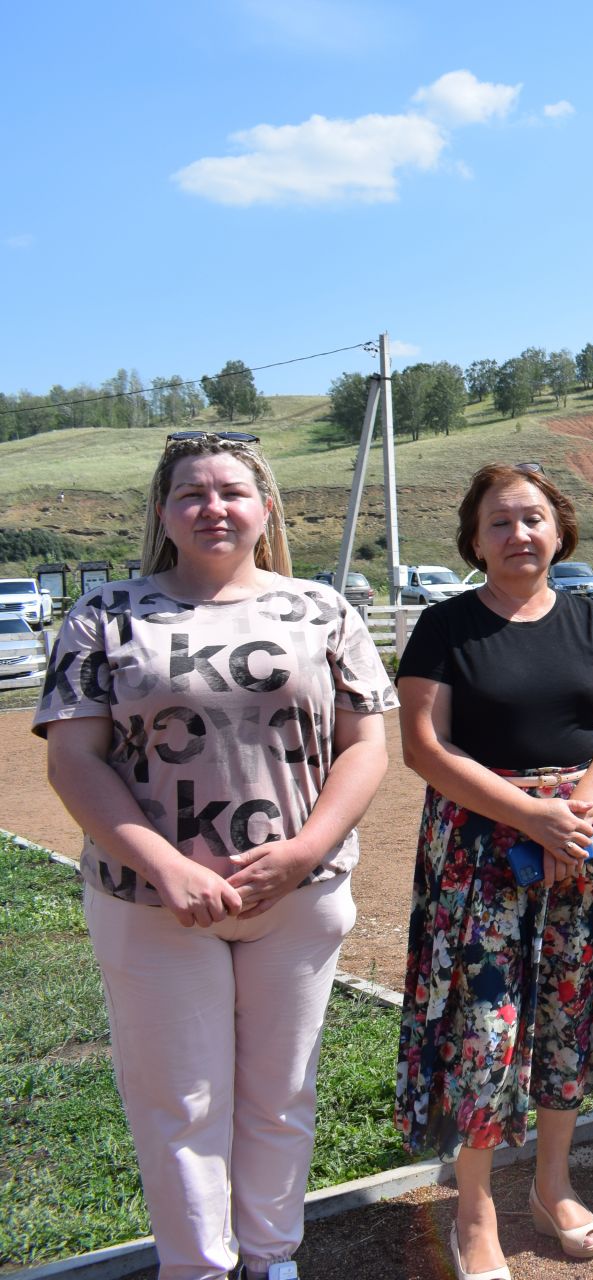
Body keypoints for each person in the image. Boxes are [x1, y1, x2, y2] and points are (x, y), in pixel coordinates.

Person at [38, 431, 395, 1280]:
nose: (213, 507)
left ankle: (271, 1258)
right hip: (151, 903)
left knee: (281, 1093)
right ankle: (197, 1267)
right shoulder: (105, 615)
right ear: (163, 513)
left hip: (297, 897)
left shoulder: (323, 609)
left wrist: (305, 851)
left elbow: (365, 745)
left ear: (265, 506)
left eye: (232, 491)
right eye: (191, 493)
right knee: (180, 1104)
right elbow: (73, 758)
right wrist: (166, 864)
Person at [395, 462, 593, 1275]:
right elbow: (426, 747)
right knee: (485, 1030)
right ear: (473, 538)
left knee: (567, 1019)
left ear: (559, 529)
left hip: (578, 845)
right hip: (481, 853)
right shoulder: (445, 626)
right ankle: (474, 1214)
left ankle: (553, 1186)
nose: (518, 535)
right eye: (499, 522)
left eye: (533, 518)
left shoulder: (591, 620)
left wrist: (573, 815)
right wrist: (527, 813)